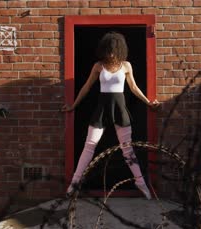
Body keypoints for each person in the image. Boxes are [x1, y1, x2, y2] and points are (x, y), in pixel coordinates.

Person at [62, 32, 160, 199]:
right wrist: (73, 105)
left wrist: (148, 102)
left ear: (120, 50)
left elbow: (134, 88)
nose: (110, 53)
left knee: (127, 149)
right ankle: (75, 183)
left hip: (119, 109)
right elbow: (86, 87)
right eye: (108, 50)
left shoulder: (126, 66)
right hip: (101, 109)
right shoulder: (98, 66)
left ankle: (141, 183)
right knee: (89, 145)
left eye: (114, 50)